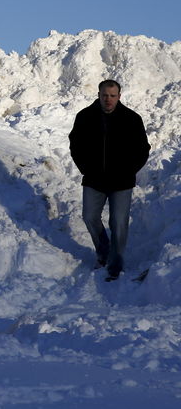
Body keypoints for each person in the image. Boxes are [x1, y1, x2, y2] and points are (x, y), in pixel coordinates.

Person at [69, 79, 150, 281]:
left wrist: (129, 170)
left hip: (121, 182)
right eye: (105, 95)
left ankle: (115, 264)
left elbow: (143, 149)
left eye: (113, 96)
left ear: (119, 97)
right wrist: (85, 168)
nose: (108, 99)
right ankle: (104, 251)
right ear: (98, 94)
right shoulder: (85, 117)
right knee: (89, 217)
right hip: (93, 180)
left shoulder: (132, 119)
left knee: (119, 223)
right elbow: (75, 145)